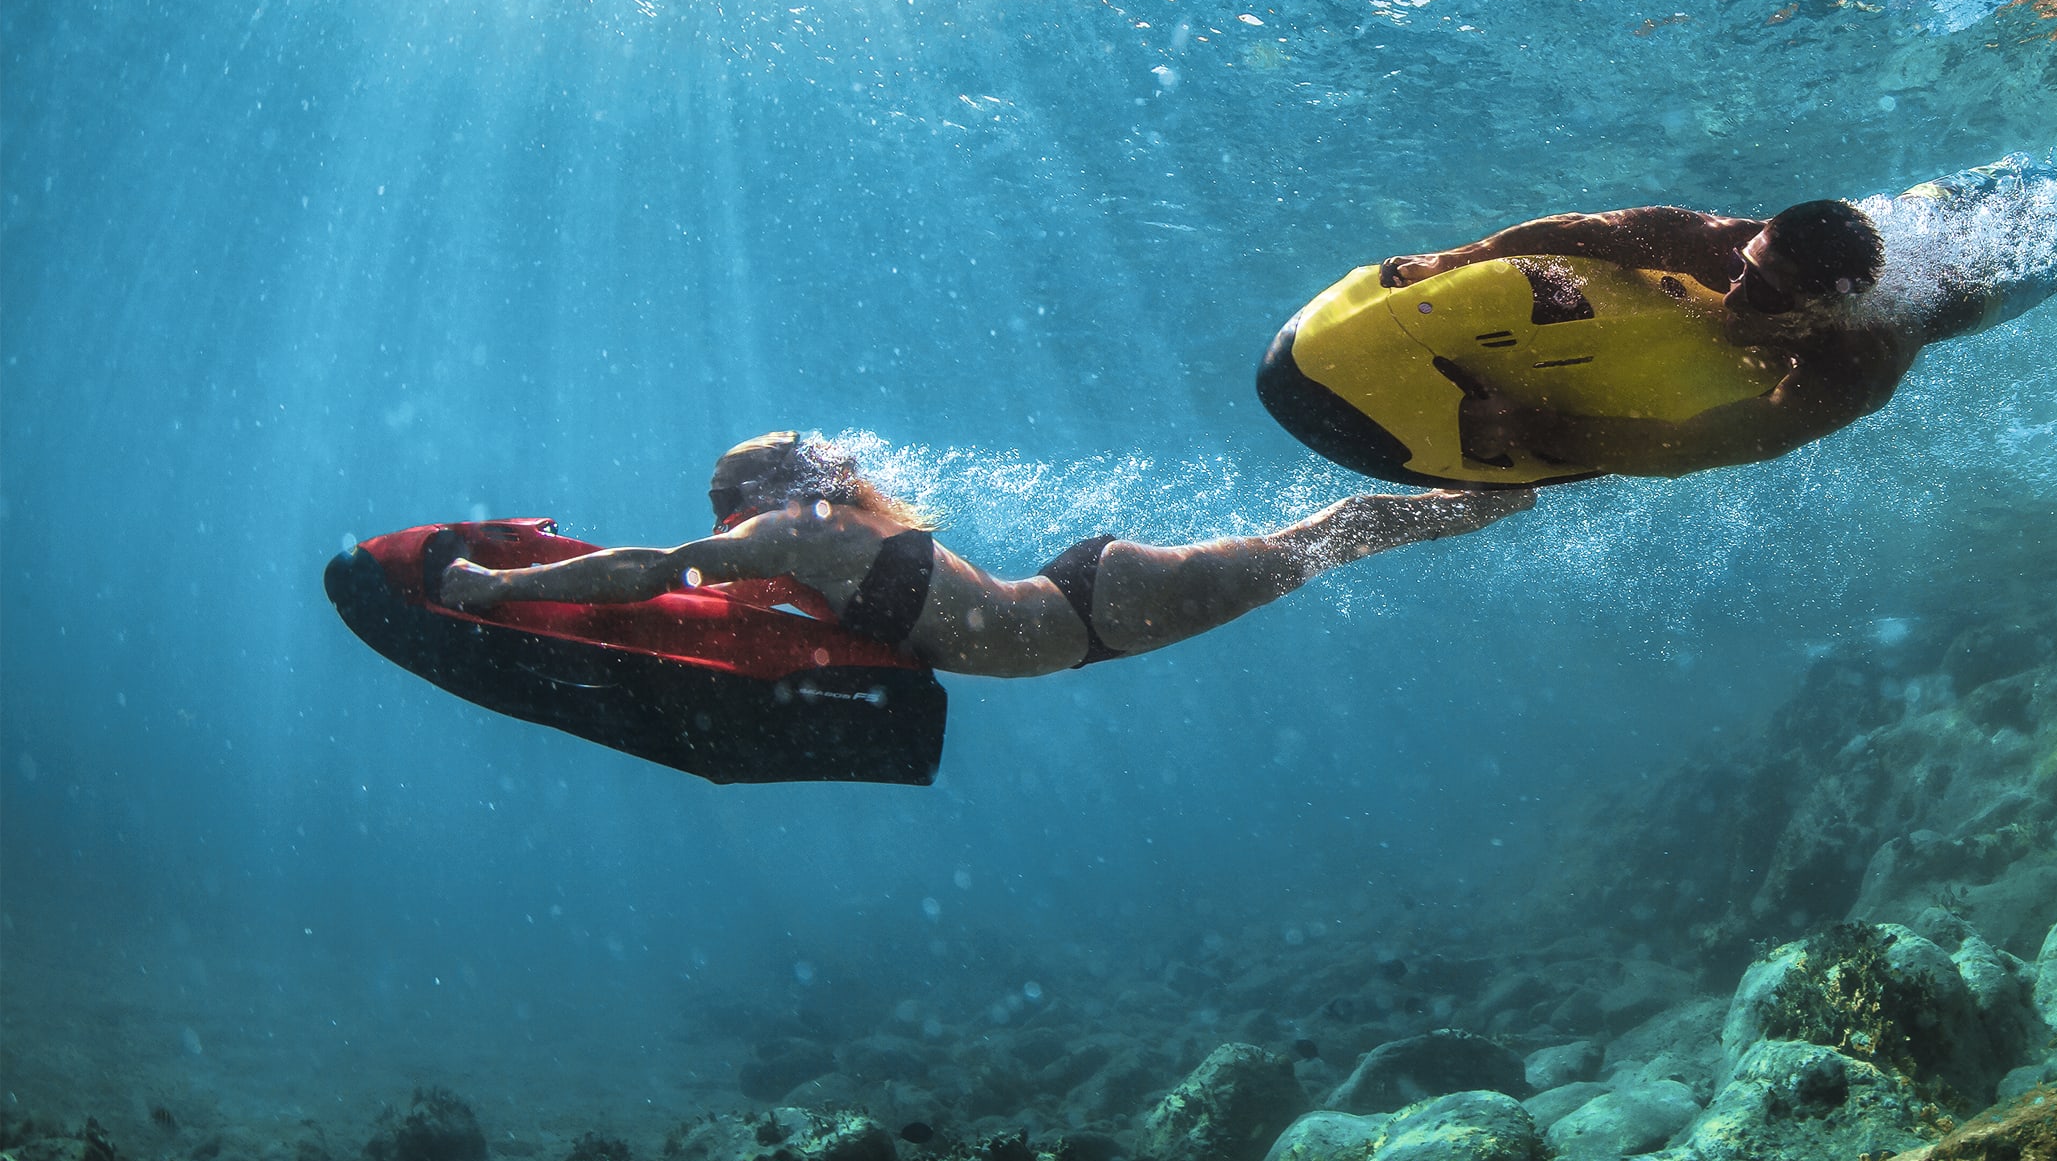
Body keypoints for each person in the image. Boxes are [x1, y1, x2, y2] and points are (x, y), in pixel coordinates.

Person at [1374, 140, 2057, 478]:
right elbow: (1586, 230)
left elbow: (1716, 444)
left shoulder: (1861, 359)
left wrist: (1541, 426)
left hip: (1984, 283)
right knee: (2022, 182)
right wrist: (1460, 260)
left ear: (1827, 309)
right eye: (1748, 269)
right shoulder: (1722, 241)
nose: (1737, 290)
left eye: (1766, 293)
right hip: (1911, 215)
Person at [437, 431, 1530, 675]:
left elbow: (645, 569)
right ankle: (1473, 493)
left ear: (766, 495)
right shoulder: (814, 540)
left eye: (723, 496)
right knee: (1315, 547)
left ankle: (1484, 491)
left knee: (1322, 543)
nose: (714, 511)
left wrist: (500, 582)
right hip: (1084, 603)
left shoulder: (795, 532)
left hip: (1100, 608)